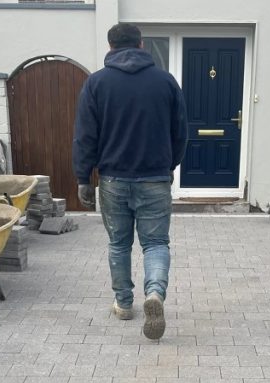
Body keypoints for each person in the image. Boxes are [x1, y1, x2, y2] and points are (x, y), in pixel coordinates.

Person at [72, 22, 187, 340]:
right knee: (155, 243)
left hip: (112, 179)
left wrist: (83, 177)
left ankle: (124, 304)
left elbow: (85, 137)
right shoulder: (165, 82)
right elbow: (180, 134)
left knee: (119, 245)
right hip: (154, 177)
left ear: (110, 47)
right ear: (141, 46)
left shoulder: (96, 84)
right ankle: (154, 294)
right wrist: (169, 165)